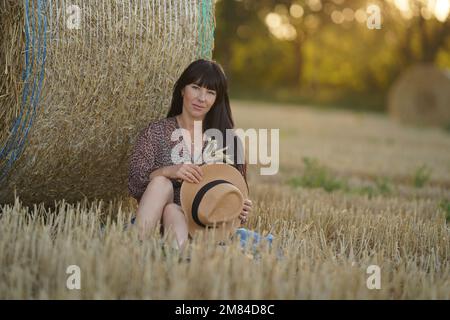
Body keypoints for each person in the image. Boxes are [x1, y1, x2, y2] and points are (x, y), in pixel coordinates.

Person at [128, 59, 253, 250]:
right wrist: (168, 171)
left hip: (206, 225)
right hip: (158, 220)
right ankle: (137, 247)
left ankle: (179, 257)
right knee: (164, 190)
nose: (202, 98)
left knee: (173, 210)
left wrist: (241, 209)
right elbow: (135, 184)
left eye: (210, 92)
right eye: (195, 87)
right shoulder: (156, 133)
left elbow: (237, 193)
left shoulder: (228, 142)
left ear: (216, 100)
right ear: (182, 90)